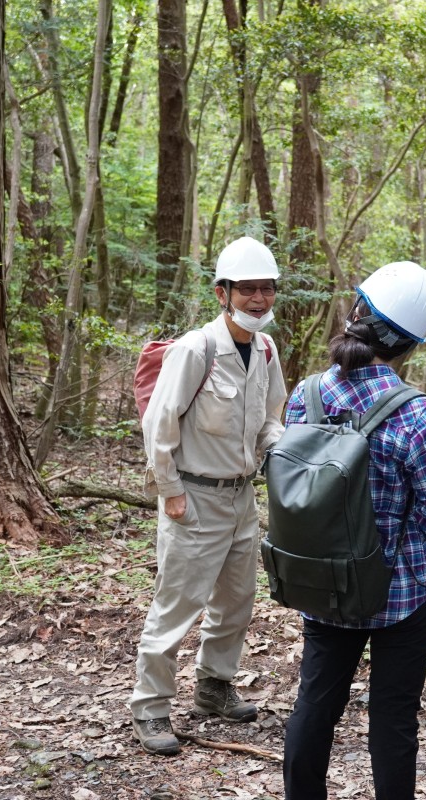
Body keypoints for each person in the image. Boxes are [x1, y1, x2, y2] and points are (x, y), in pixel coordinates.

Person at [281, 261, 426, 800]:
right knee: (393, 717)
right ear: (411, 345)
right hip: (401, 588)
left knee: (315, 702)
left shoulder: (308, 395)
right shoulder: (417, 414)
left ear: (355, 314)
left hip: (324, 579)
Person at [132, 235, 288, 756]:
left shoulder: (265, 349)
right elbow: (160, 425)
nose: (259, 299)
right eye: (248, 290)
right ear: (223, 292)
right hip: (193, 497)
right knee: (177, 607)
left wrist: (286, 451)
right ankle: (151, 708)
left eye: (266, 289)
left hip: (242, 497)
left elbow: (269, 418)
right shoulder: (195, 348)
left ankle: (213, 688)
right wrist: (170, 492)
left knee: (236, 603)